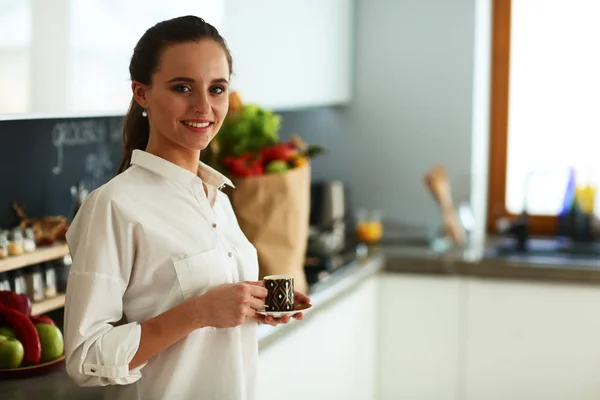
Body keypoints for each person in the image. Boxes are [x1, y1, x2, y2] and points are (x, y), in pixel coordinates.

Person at [63, 15, 310, 400]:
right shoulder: (113, 206)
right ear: (141, 93)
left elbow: (207, 311)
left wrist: (252, 305)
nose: (203, 107)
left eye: (217, 89)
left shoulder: (219, 200)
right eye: (182, 88)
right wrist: (198, 313)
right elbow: (84, 358)